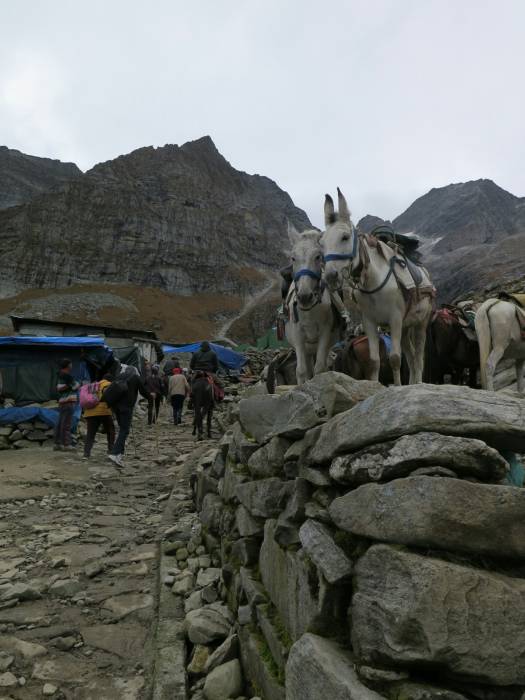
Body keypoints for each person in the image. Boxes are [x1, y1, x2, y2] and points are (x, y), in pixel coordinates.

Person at [109, 365, 149, 467]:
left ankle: (119, 455)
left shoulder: (119, 376)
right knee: (124, 430)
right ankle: (114, 453)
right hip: (126, 408)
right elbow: (143, 391)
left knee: (122, 429)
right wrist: (151, 397)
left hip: (116, 408)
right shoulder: (135, 378)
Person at [83, 374, 115, 459]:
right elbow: (109, 397)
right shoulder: (108, 384)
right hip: (103, 411)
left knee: (90, 433)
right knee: (110, 430)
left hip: (89, 412)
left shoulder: (93, 385)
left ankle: (86, 454)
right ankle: (111, 450)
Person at [54, 358, 80, 451]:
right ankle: (66, 444)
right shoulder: (67, 376)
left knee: (60, 423)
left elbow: (59, 388)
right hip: (68, 402)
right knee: (66, 424)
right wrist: (73, 385)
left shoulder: (60, 375)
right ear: (68, 365)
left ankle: (57, 444)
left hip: (62, 402)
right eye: (71, 364)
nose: (72, 366)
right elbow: (76, 386)